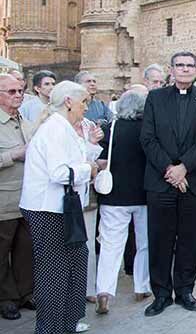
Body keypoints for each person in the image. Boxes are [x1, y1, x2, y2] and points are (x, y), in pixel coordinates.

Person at [140, 51, 196, 316]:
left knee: (190, 240)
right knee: (160, 240)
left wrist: (184, 167)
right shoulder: (155, 98)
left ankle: (185, 290)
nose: (185, 69)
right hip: (161, 181)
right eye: (180, 65)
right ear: (171, 69)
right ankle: (161, 294)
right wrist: (170, 169)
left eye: (189, 65)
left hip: (194, 182)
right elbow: (148, 138)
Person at [20, 81, 103, 334]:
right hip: (48, 209)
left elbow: (74, 157)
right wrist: (89, 169)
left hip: (64, 208)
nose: (86, 108)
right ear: (68, 102)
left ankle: (68, 321)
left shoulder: (64, 128)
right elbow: (59, 172)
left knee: (76, 262)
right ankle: (50, 328)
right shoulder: (54, 129)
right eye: (83, 102)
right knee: (54, 272)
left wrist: (90, 151)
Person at [94, 91, 152, 314]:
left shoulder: (111, 128)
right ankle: (141, 286)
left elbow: (101, 160)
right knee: (144, 243)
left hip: (114, 195)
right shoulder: (147, 129)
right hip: (143, 194)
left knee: (111, 245)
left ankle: (104, 291)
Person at [0, 74, 34, 321]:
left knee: (25, 249)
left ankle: (25, 293)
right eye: (11, 91)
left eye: (20, 90)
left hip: (28, 199)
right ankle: (6, 298)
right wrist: (12, 155)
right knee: (2, 252)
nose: (18, 95)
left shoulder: (25, 121)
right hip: (4, 200)